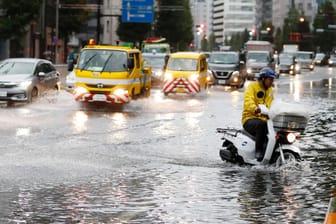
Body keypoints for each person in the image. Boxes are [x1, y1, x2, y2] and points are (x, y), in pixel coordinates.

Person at [241, 67, 276, 161]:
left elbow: (272, 104)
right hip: (249, 118)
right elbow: (248, 101)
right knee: (261, 125)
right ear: (263, 78)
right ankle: (258, 152)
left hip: (265, 120)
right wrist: (255, 108)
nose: (271, 82)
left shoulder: (270, 90)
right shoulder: (252, 87)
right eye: (270, 79)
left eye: (273, 80)